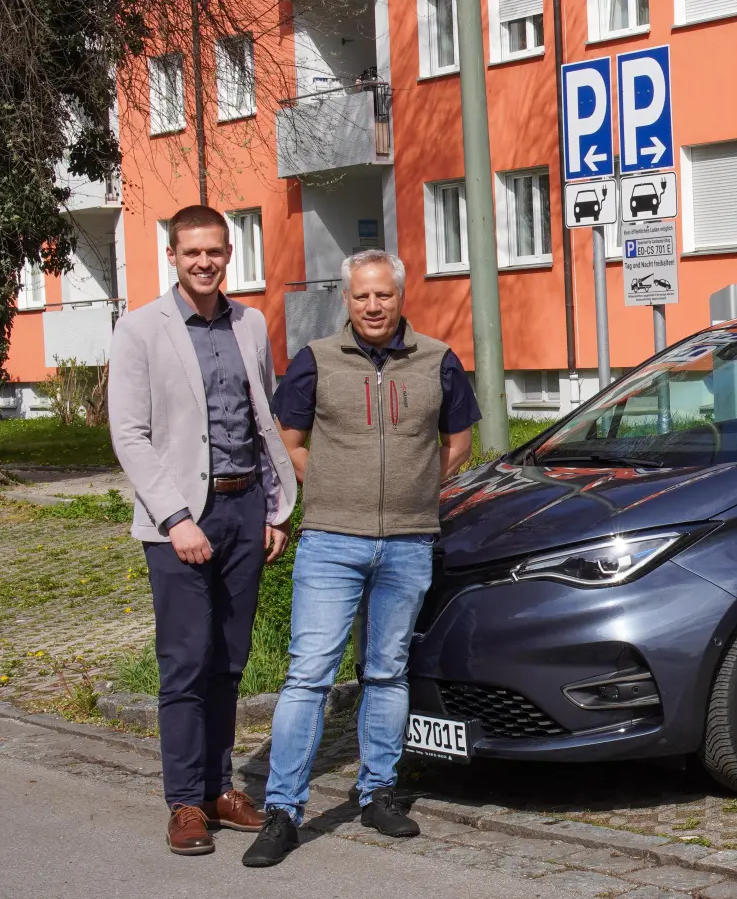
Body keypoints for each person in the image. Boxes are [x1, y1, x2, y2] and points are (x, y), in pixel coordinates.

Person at [243, 249, 482, 867]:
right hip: (330, 540)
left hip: (407, 542)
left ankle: (378, 791)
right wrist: (323, 483)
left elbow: (460, 439)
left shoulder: (437, 360)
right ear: (345, 300)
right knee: (308, 675)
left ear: (401, 297)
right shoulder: (317, 360)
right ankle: (283, 809)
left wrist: (423, 488)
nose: (373, 306)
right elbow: (288, 439)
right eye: (361, 296)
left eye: (383, 295)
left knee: (386, 671)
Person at [107, 205, 297, 855]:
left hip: (246, 510)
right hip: (180, 519)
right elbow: (129, 434)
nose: (205, 262)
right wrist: (175, 517)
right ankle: (185, 802)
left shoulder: (250, 323)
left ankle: (221, 789)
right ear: (173, 256)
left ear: (227, 254)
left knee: (230, 662)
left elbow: (260, 420)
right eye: (193, 253)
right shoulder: (140, 331)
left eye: (215, 251)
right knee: (185, 664)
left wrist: (275, 509)